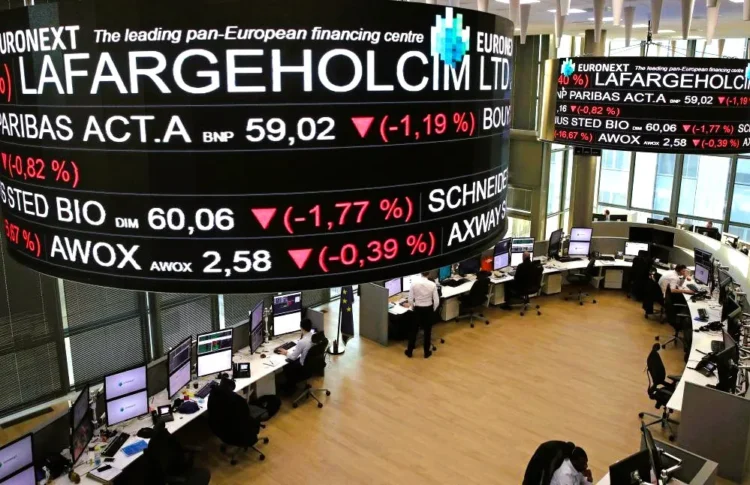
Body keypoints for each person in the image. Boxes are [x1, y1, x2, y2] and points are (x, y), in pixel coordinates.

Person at [405, 271, 439, 359]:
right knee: (427, 332)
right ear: (429, 274)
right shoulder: (432, 285)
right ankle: (426, 353)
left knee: (413, 331)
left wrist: (413, 307)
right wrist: (433, 310)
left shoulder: (414, 284)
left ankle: (409, 352)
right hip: (428, 309)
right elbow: (436, 301)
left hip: (418, 309)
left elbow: (410, 299)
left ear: (420, 273)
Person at [278, 318, 315, 391]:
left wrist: (286, 352)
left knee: (287, 365)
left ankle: (290, 387)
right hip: (311, 365)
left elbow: (293, 357)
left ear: (301, 328)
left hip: (303, 367)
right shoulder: (314, 337)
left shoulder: (302, 342)